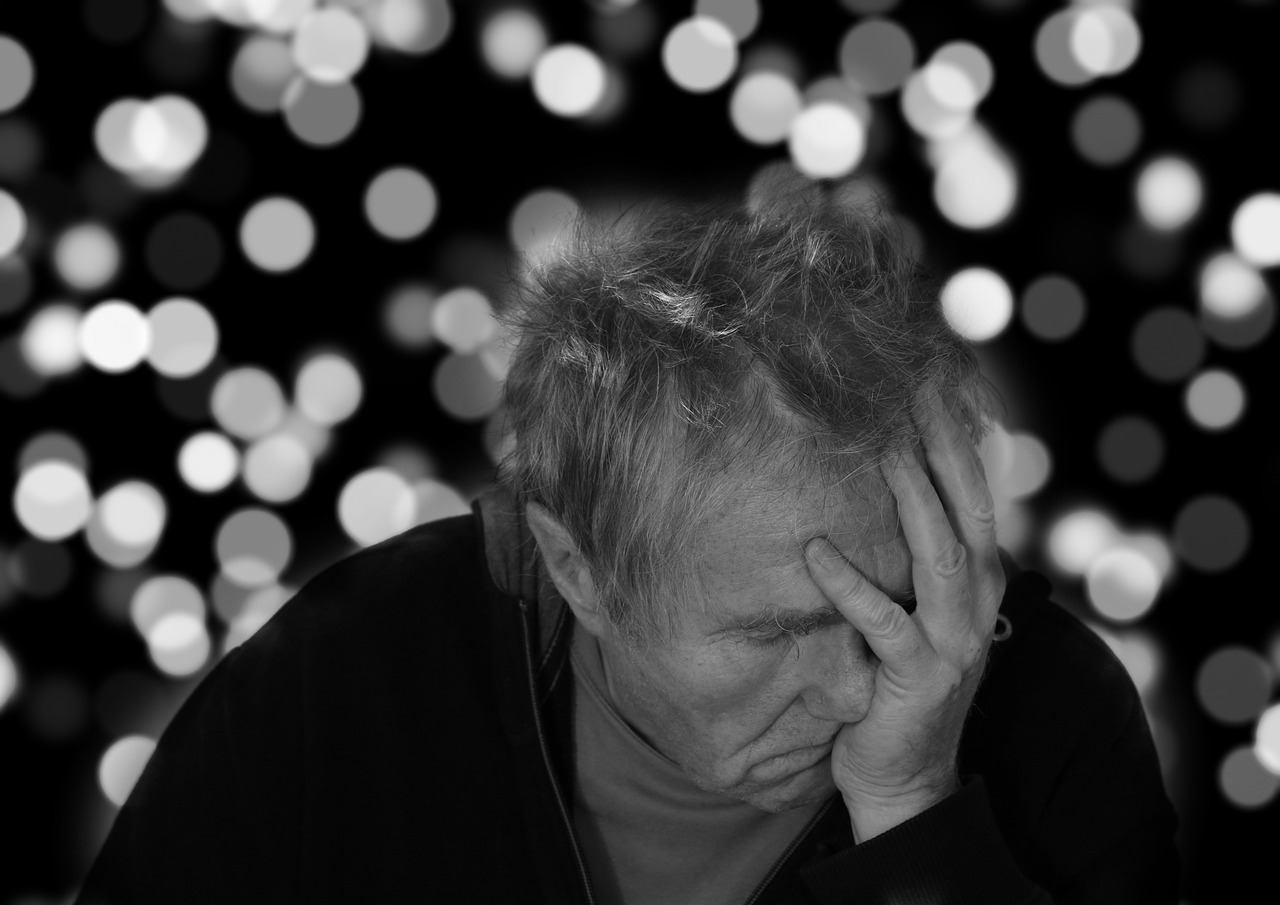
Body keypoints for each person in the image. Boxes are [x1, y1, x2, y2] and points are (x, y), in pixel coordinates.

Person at [73, 190, 1180, 904]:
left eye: (894, 606)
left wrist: (913, 813)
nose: (860, 691)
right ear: (577, 570)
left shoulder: (1056, 712)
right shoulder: (349, 667)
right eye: (776, 631)